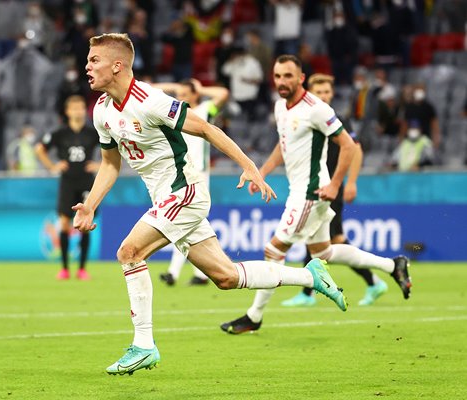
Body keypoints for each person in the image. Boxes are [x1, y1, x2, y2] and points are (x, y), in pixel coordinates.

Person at [75, 33, 348, 376]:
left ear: (117, 66)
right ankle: (309, 276)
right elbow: (110, 164)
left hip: (185, 192)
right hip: (165, 199)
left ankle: (144, 345)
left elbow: (205, 128)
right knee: (226, 277)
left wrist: (248, 165)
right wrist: (90, 204)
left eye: (94, 60)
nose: (87, 66)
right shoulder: (102, 110)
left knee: (129, 252)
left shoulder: (150, 101)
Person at [220, 55, 412, 336]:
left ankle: (254, 315)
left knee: (273, 250)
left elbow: (348, 146)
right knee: (325, 252)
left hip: (312, 193)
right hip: (301, 192)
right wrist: (261, 172)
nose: (282, 82)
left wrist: (335, 185)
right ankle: (392, 265)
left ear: (301, 78)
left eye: (288, 76)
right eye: (277, 76)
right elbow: (283, 146)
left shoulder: (316, 109)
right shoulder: (279, 107)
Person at [280, 73, 389, 308]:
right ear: (310, 92)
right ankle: (372, 281)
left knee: (326, 239)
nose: (325, 96)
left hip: (331, 188)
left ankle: (372, 281)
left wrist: (351, 182)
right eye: (320, 92)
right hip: (316, 188)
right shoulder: (303, 116)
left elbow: (355, 150)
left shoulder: (337, 119)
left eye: (328, 92)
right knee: (323, 239)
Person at [151, 78, 229, 286]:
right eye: (179, 95)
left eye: (186, 94)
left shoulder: (204, 110)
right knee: (191, 222)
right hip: (180, 173)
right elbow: (149, 91)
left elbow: (223, 93)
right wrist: (173, 87)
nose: (181, 98)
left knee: (185, 221)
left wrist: (201, 87)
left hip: (199, 174)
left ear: (195, 95)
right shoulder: (174, 113)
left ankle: (175, 273)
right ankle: (200, 274)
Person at [36, 95, 100, 281]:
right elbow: (40, 149)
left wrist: (98, 165)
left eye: (81, 107)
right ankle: (64, 268)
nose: (78, 111)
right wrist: (52, 166)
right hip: (67, 182)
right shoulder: (59, 133)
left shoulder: (92, 133)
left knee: (86, 225)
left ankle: (82, 269)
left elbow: (112, 149)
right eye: (74, 108)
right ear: (67, 111)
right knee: (64, 224)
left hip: (86, 182)